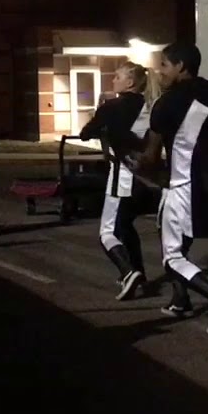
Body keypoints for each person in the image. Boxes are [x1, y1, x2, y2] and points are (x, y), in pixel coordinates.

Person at [131, 43, 208, 335]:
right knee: (172, 235)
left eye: (164, 65)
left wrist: (135, 163)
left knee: (173, 255)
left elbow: (151, 157)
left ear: (181, 66)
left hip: (182, 185)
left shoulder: (166, 103)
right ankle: (180, 299)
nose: (160, 72)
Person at [79, 61, 154, 301]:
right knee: (126, 224)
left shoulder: (112, 107)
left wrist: (99, 119)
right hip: (145, 174)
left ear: (129, 82)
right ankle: (138, 273)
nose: (113, 80)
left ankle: (128, 271)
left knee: (107, 232)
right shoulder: (149, 107)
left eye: (117, 77)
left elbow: (85, 133)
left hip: (122, 173)